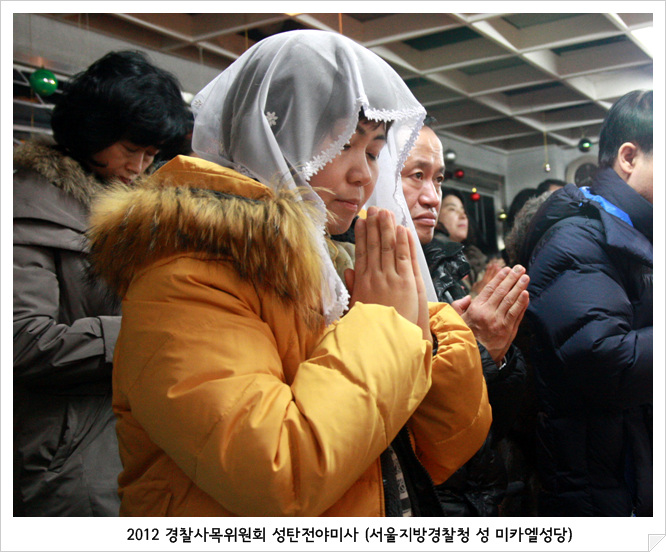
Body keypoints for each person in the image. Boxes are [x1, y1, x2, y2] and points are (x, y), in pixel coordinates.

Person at [86, 30, 491, 517]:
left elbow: (441, 449)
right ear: (270, 138)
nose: (364, 175)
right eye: (341, 144)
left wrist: (437, 336)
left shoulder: (337, 266)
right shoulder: (184, 274)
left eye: (373, 152)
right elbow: (275, 474)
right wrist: (387, 327)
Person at [13, 50, 191, 516]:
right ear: (92, 130)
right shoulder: (30, 209)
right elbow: (19, 341)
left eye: (150, 154)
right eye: (130, 149)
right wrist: (147, 331)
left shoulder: (126, 209)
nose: (139, 166)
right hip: (66, 452)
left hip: (121, 438)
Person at [518, 90, 653, 516]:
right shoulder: (577, 235)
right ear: (629, 158)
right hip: (602, 490)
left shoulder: (635, 232)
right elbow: (606, 362)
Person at [401, 123, 529, 515]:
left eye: (438, 179)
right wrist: (476, 350)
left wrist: (495, 355)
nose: (432, 197)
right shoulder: (345, 275)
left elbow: (497, 417)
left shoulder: (442, 268)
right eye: (416, 175)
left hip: (474, 489)